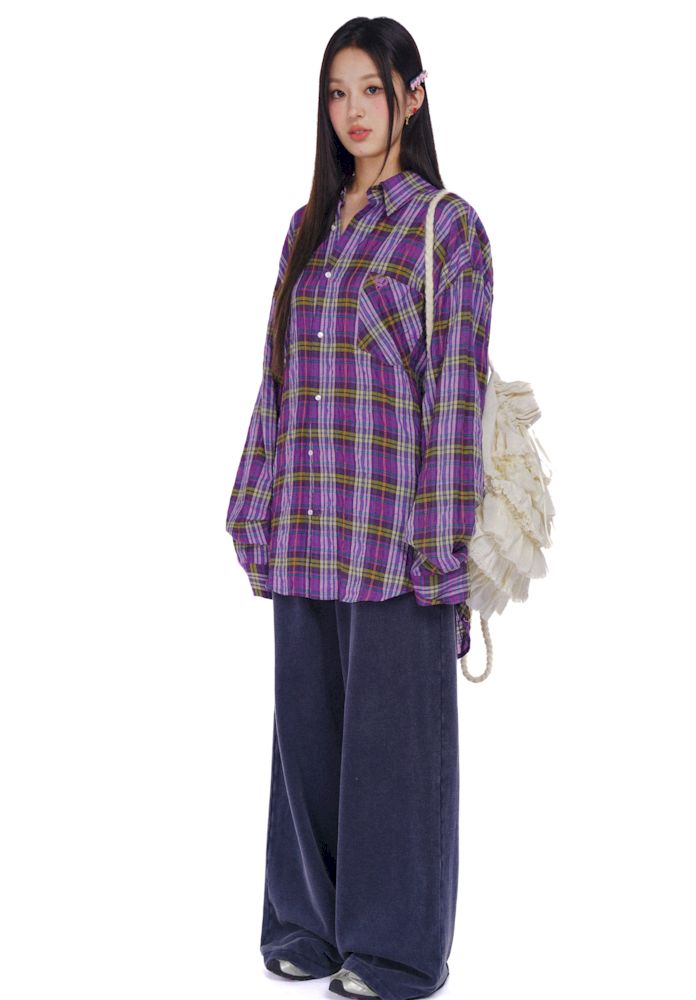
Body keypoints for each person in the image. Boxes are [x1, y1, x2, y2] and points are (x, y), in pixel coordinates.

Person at [225, 16, 493, 1000]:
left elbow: (454, 395)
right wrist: (253, 500)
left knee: (394, 758)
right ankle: (305, 923)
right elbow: (277, 382)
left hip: (395, 535)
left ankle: (393, 951)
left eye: (372, 90)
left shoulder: (445, 228)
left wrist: (442, 546)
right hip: (306, 521)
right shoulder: (307, 228)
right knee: (304, 743)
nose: (353, 111)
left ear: (411, 98)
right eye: (337, 93)